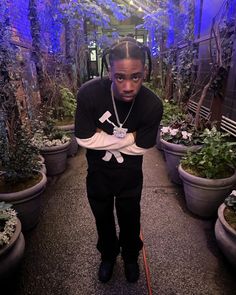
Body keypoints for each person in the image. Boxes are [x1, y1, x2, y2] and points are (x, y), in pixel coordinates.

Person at [74, 37, 163, 283]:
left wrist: (103, 135)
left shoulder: (152, 104)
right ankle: (108, 256)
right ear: (109, 72)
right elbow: (84, 139)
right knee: (102, 216)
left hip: (130, 177)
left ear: (144, 72)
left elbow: (143, 146)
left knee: (130, 217)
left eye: (136, 77)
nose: (127, 86)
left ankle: (131, 256)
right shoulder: (89, 94)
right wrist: (130, 137)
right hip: (98, 174)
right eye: (120, 77)